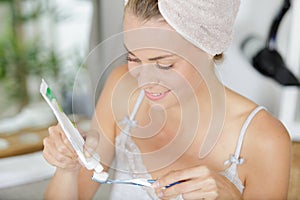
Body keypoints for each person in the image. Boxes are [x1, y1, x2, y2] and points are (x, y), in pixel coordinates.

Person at [43, 0, 291, 199]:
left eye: (163, 64)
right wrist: (67, 168)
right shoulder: (122, 90)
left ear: (210, 47)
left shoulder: (264, 139)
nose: (144, 80)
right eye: (134, 58)